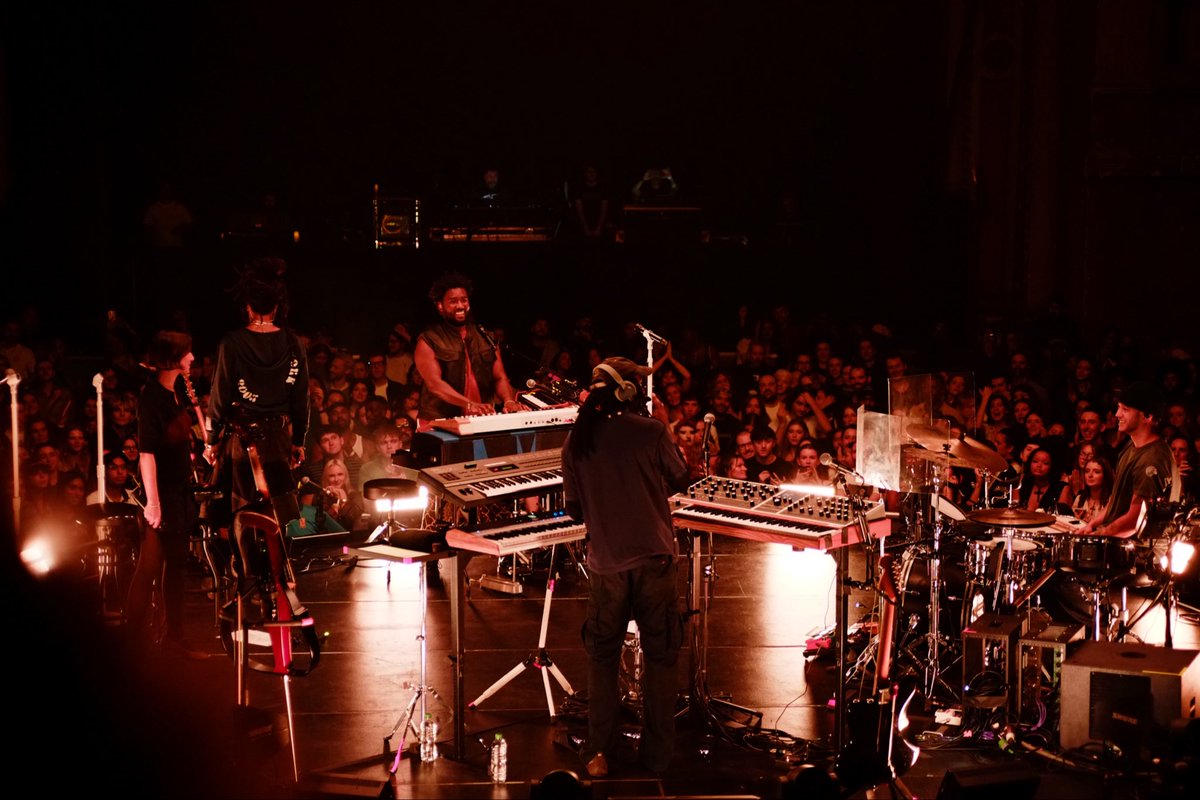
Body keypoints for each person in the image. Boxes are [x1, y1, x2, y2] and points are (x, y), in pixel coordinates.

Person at [561, 356, 690, 778]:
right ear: (629, 390)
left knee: (602, 658)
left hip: (606, 564)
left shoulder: (576, 441)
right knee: (660, 656)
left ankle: (599, 752)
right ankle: (657, 757)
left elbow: (575, 510)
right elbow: (681, 478)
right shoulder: (651, 431)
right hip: (654, 558)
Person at [205, 258, 310, 540]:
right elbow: (301, 396)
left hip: (243, 442)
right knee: (277, 515)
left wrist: (212, 440)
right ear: (277, 306)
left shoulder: (232, 343)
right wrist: (298, 439)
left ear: (247, 306)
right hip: (279, 439)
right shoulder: (293, 343)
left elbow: (219, 394)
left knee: (244, 512)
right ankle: (279, 564)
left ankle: (244, 564)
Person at [124, 330, 205, 658]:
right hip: (164, 493)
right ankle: (135, 642)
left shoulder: (176, 393)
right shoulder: (152, 399)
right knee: (152, 567)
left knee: (173, 566)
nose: (193, 357)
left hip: (179, 490)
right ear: (173, 358)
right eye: (187, 352)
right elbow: (147, 454)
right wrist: (154, 502)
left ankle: (171, 637)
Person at [412, 271, 522, 428]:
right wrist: (469, 404)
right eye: (453, 301)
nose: (460, 305)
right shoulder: (428, 340)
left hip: (481, 419)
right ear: (440, 306)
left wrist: (508, 401)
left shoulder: (486, 337)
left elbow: (500, 377)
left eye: (464, 300)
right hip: (439, 422)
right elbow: (435, 385)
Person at [1076, 382, 1176, 539]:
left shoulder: (1151, 460)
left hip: (1134, 549)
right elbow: (1116, 501)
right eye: (1118, 407)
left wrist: (1099, 535)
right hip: (1114, 539)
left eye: (1125, 409)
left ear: (1147, 416)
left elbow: (1135, 520)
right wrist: (1092, 524)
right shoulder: (1131, 445)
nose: (1117, 414)